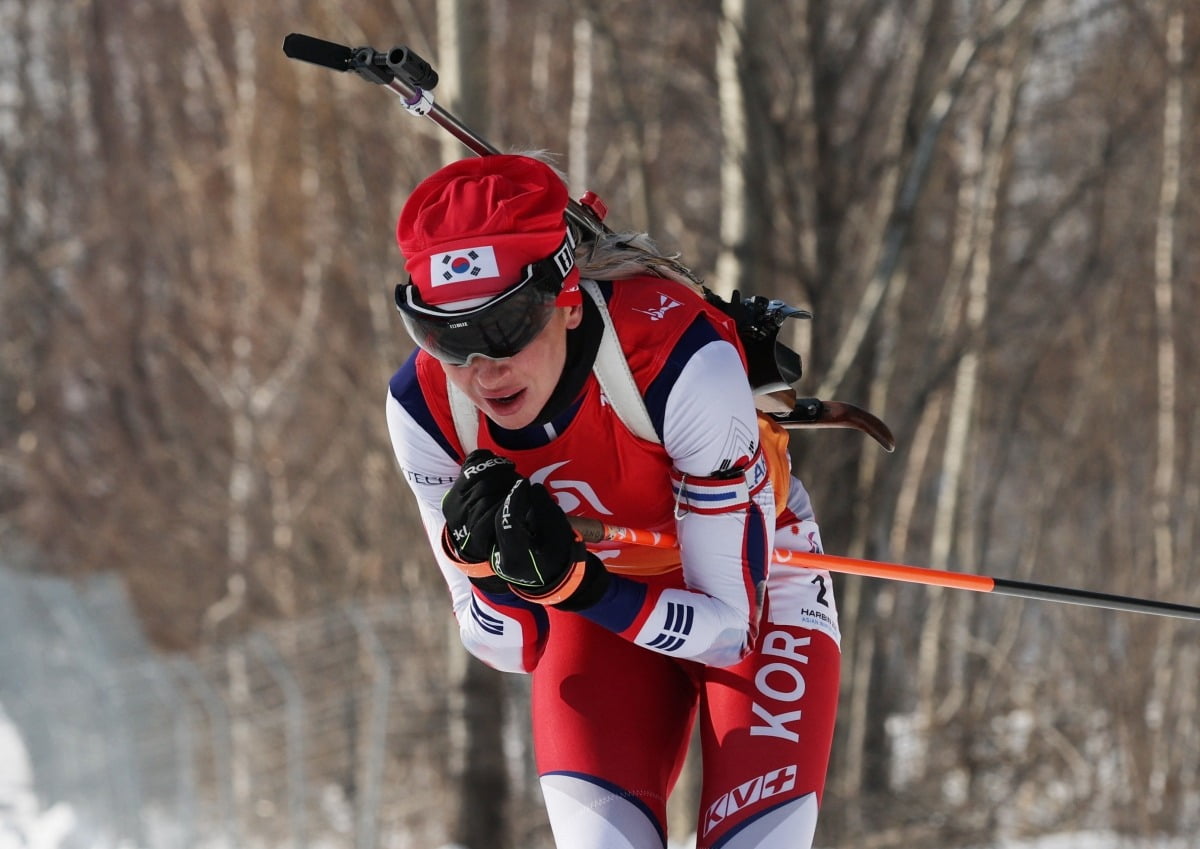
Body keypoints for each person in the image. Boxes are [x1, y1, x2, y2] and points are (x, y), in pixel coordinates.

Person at [385, 153, 842, 849]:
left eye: (505, 328)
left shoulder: (679, 361)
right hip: (597, 607)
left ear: (564, 301)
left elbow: (727, 631)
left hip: (758, 588)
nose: (484, 370)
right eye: (447, 338)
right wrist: (486, 567)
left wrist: (575, 581)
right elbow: (505, 643)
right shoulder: (424, 406)